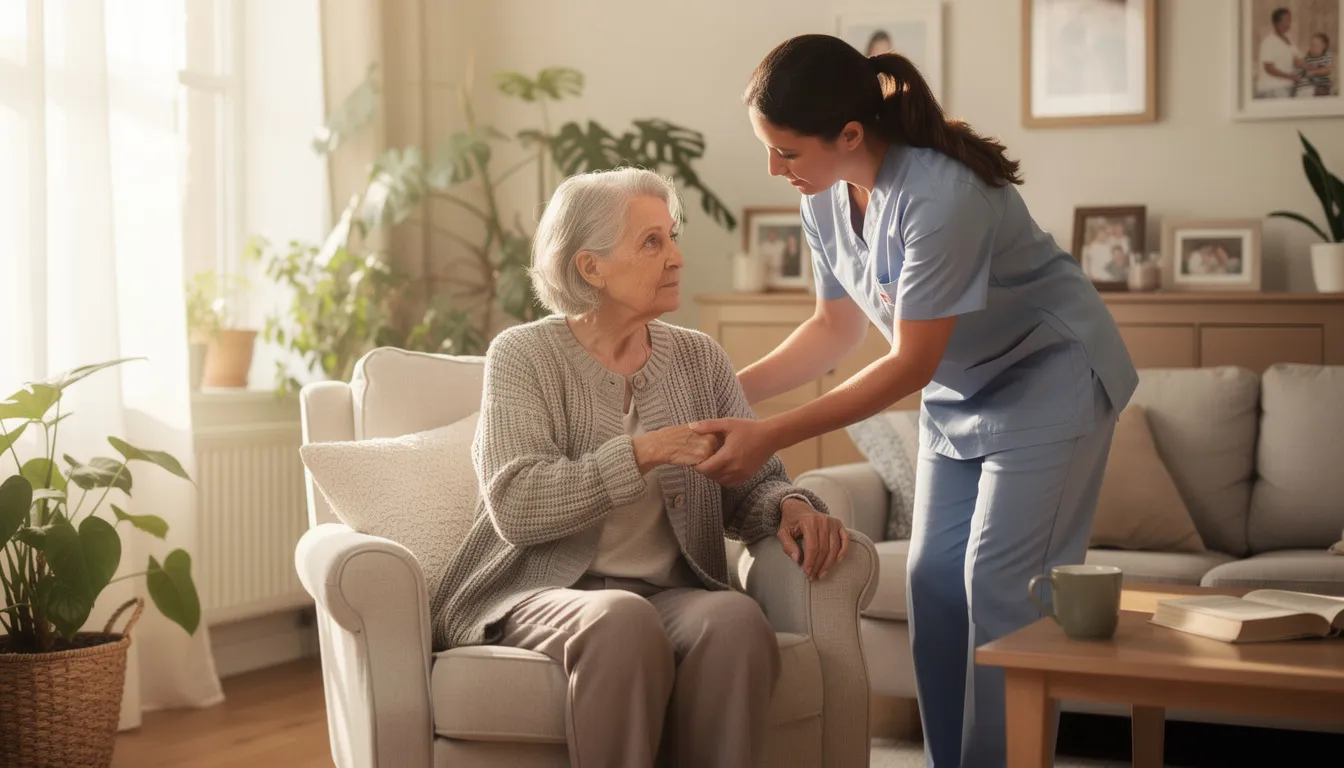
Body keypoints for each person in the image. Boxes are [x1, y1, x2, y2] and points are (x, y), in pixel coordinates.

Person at [689, 34, 1137, 767]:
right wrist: (721, 393)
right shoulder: (826, 198)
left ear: (851, 135)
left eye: (788, 152)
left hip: (1050, 378)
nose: (775, 169)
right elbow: (833, 331)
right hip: (963, 390)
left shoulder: (943, 196)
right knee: (932, 584)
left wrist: (767, 434)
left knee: (999, 587)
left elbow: (909, 364)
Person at [432, 167, 848, 768]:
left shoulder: (699, 359)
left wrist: (789, 504)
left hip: (668, 592)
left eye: (672, 236)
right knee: (620, 620)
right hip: (542, 591)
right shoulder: (523, 356)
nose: (677, 257)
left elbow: (751, 482)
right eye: (652, 242)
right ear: (590, 267)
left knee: (733, 620)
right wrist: (642, 451)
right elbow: (516, 506)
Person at [1257, 8, 1301, 98]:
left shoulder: (1289, 40)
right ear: (1276, 23)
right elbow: (1269, 68)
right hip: (1271, 87)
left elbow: (1296, 61)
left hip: (1288, 85)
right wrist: (1289, 76)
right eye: (1285, 20)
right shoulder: (1269, 42)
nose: (1288, 24)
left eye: (1289, 20)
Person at [1294, 33, 1334, 97]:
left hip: (1323, 86)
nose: (1311, 48)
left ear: (1323, 46)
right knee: (1301, 85)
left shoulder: (1326, 56)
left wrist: (1313, 72)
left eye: (1315, 46)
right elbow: (1304, 67)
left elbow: (1328, 70)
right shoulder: (1308, 56)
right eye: (1311, 45)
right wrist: (1300, 64)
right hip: (1311, 85)